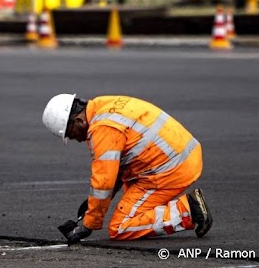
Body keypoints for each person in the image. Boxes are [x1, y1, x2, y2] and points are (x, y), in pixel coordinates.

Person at [41, 94, 212, 244]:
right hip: (180, 155)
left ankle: (188, 210)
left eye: (71, 134)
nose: (76, 140)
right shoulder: (103, 105)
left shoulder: (102, 130)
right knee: (130, 202)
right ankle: (174, 209)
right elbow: (117, 168)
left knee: (120, 227)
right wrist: (92, 206)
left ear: (79, 121)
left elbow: (104, 182)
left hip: (172, 169)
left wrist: (87, 225)